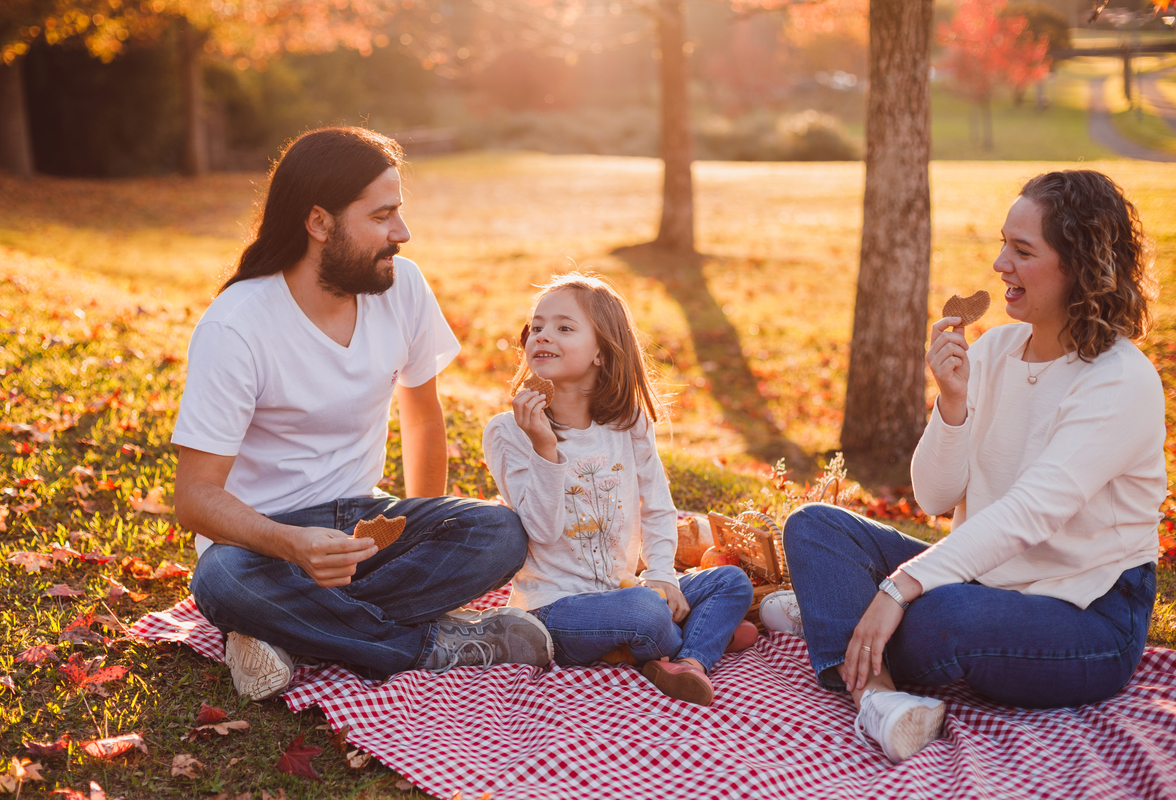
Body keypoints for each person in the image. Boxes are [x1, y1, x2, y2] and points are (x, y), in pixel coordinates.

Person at [779, 169, 1165, 763]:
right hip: (986, 576)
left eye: (1023, 250)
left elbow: (1029, 514)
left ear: (1079, 268)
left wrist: (898, 587)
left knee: (943, 614)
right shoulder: (994, 351)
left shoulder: (1118, 380)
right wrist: (952, 406)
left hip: (1085, 613)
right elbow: (934, 497)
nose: (999, 264)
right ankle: (876, 697)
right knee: (815, 525)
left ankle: (835, 618)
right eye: (1003, 243)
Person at [173, 127, 553, 701]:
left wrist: (423, 520)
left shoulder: (403, 288)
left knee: (500, 531)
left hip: (362, 530)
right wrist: (292, 544)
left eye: (398, 212)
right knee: (220, 581)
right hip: (262, 546)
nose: (402, 233)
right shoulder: (236, 326)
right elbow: (195, 498)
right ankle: (429, 646)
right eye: (382, 216)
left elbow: (423, 417)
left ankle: (287, 633)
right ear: (319, 222)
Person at [482, 273, 757, 707]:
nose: (543, 336)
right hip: (555, 607)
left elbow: (658, 505)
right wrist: (545, 451)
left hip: (622, 587)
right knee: (645, 613)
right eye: (536, 326)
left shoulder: (628, 422)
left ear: (602, 352)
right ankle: (698, 641)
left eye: (564, 327)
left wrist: (664, 576)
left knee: (731, 582)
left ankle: (685, 663)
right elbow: (540, 530)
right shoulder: (507, 433)